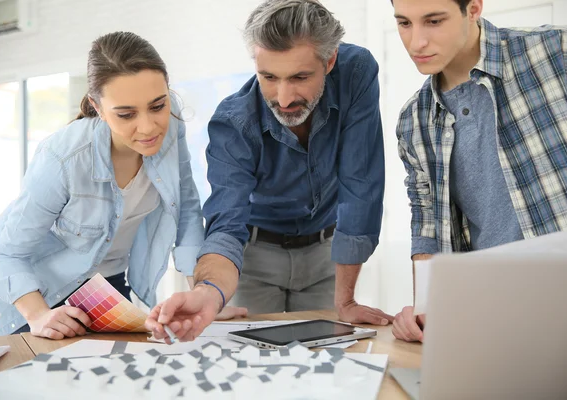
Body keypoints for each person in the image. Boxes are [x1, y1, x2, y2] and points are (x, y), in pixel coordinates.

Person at [147, 0, 391, 343]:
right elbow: (227, 224)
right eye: (269, 77)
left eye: (300, 77)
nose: (284, 96)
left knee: (324, 365)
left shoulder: (355, 70)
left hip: (327, 252)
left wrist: (346, 299)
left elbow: (360, 181)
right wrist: (208, 294)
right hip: (254, 259)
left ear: (330, 60)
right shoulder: (233, 123)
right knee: (255, 367)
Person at [0, 31, 204, 338]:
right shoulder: (62, 157)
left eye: (158, 106)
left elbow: (188, 210)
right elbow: (6, 255)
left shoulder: (172, 130)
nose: (149, 127)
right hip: (39, 296)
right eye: (126, 114)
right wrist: (39, 315)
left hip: (107, 288)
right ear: (97, 108)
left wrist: (200, 297)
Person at [390, 0, 567, 342]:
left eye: (433, 21)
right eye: (404, 23)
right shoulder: (412, 120)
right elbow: (427, 226)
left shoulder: (560, 53)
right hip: (497, 318)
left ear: (473, 8)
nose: (416, 42)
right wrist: (424, 307)